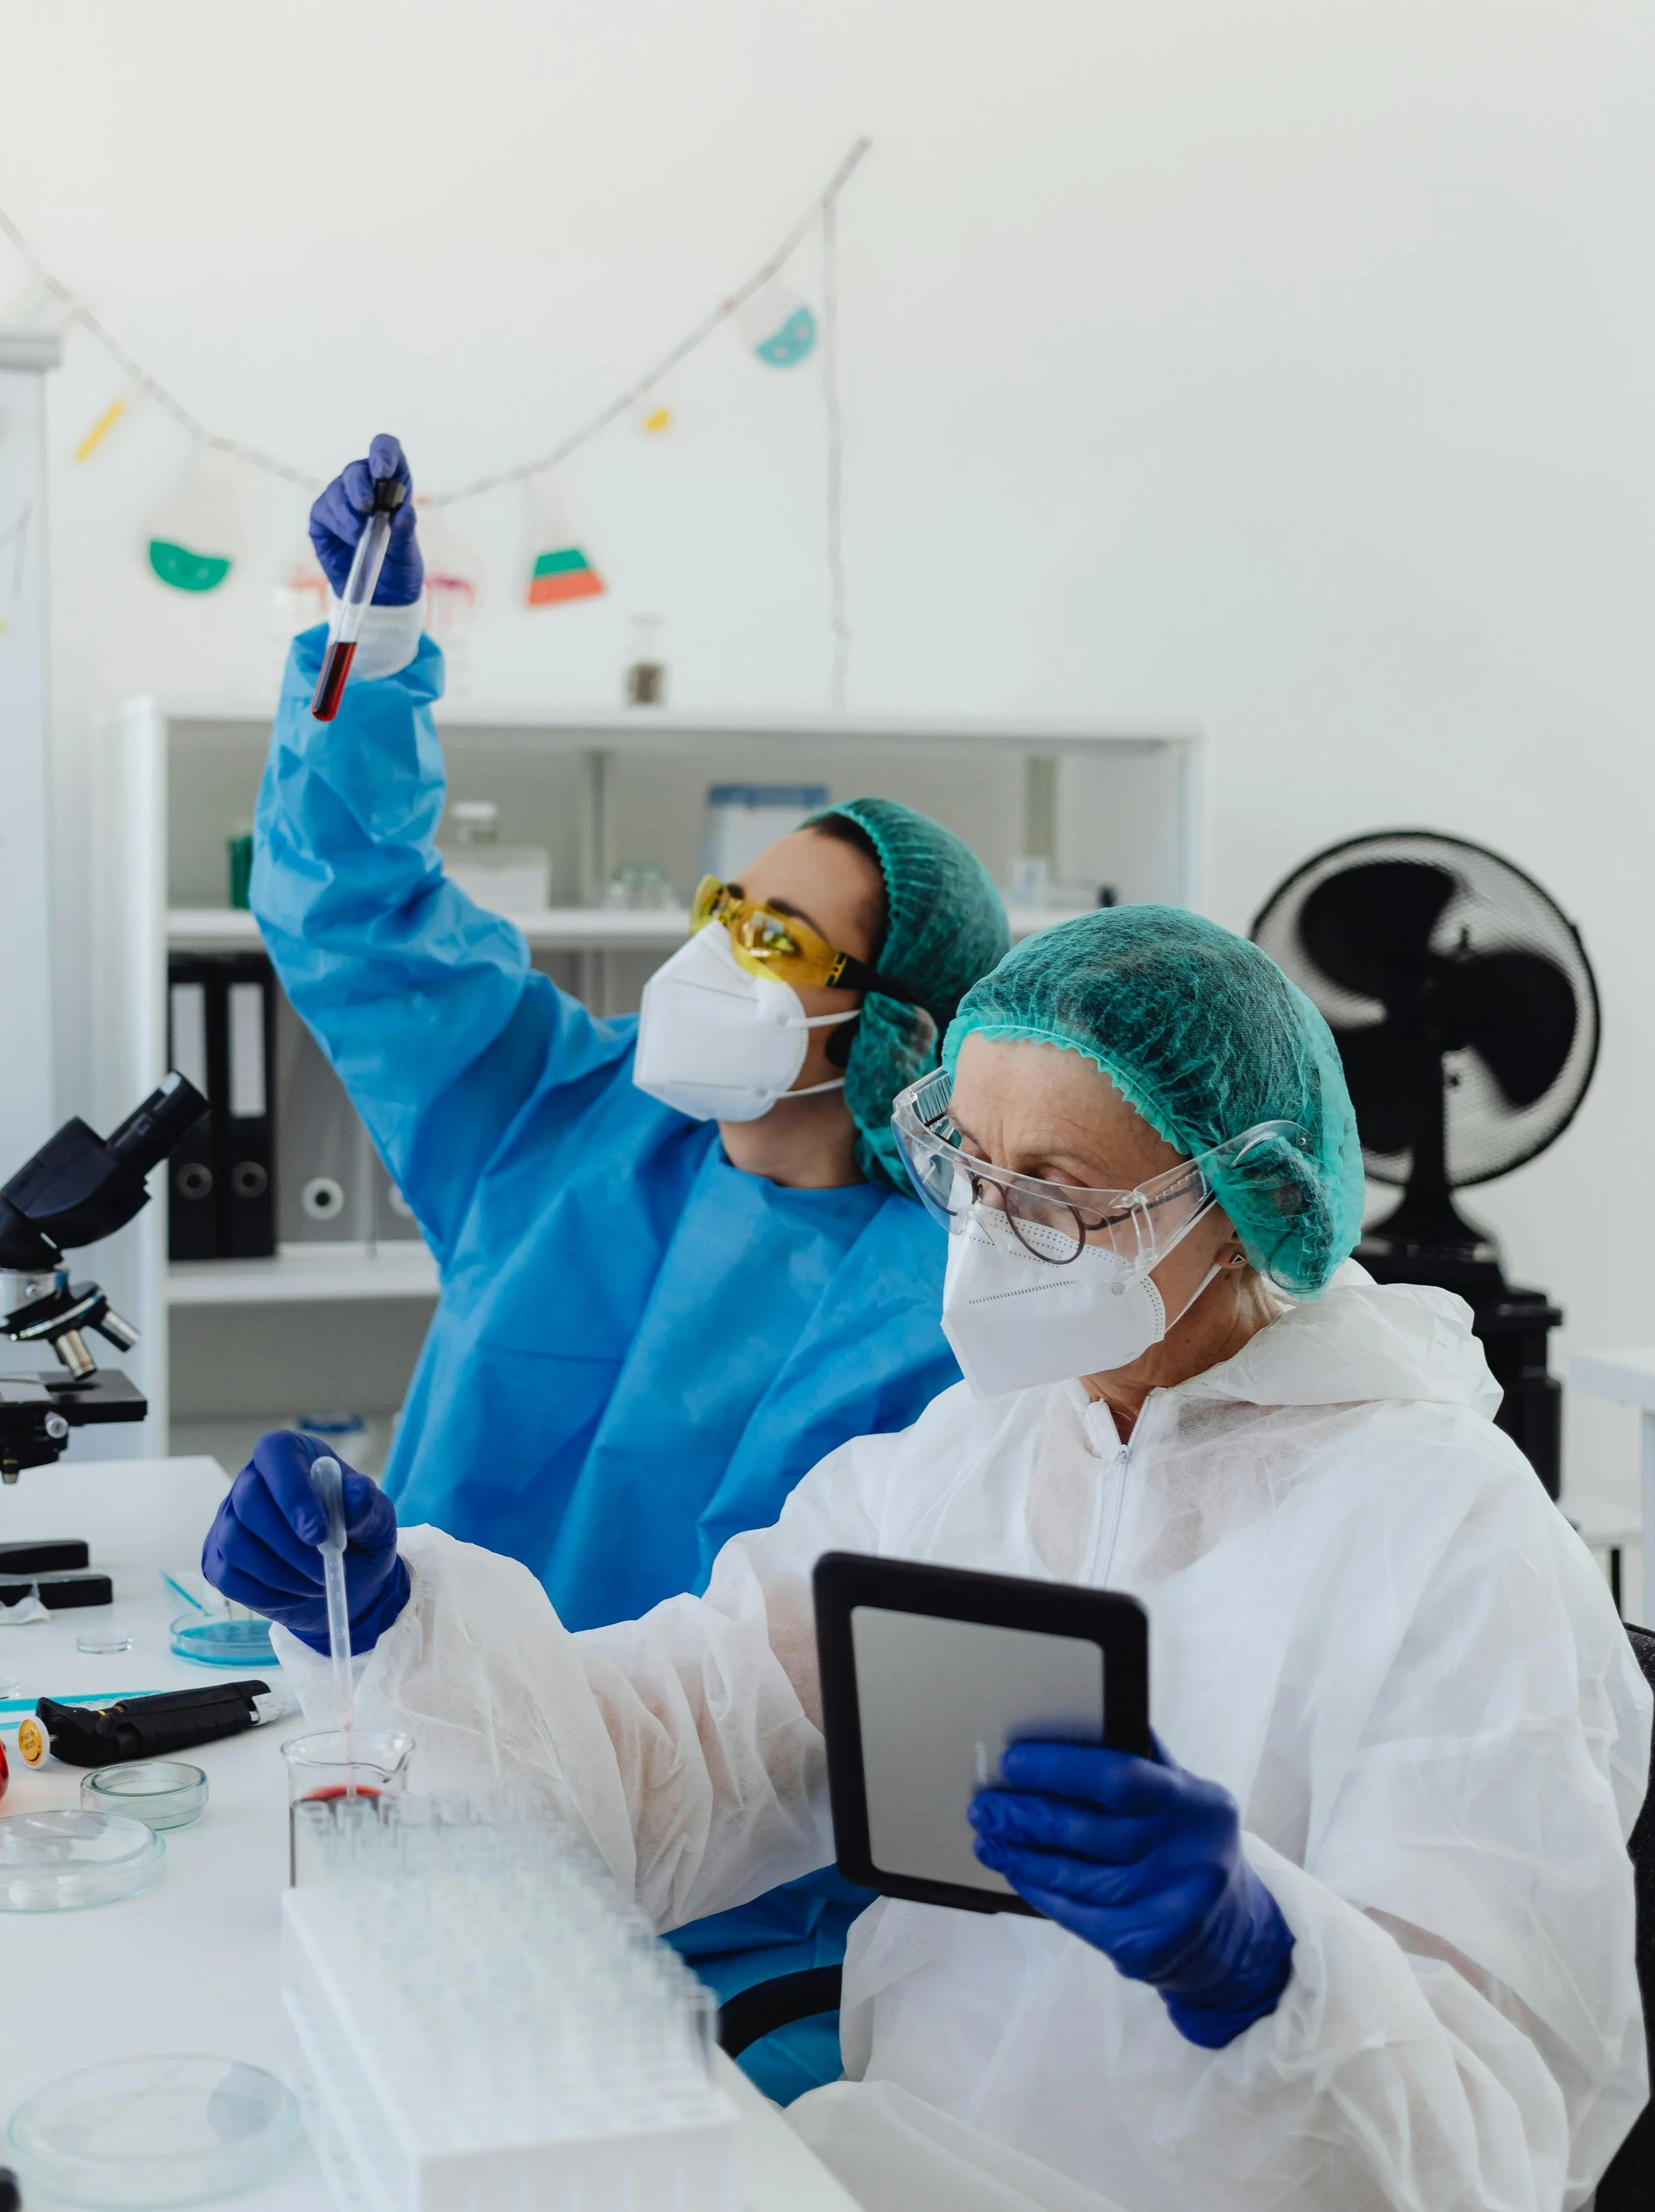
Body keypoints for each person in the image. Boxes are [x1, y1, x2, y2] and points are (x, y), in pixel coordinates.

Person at [208, 905, 1649, 2211]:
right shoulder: (973, 1453)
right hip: (902, 2159)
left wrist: (1263, 1964)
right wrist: (398, 1617)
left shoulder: (1450, 1535)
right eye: (966, 1164)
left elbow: (1493, 2130)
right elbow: (673, 1749)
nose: (988, 1230)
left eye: (1055, 1189)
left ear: (1238, 1202)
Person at [246, 433, 1012, 2093]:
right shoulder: (566, 1117)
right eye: (727, 908)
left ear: (890, 1028)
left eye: (779, 942)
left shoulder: (941, 1303)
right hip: (416, 1788)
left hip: (720, 1922)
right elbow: (355, 917)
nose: (717, 954)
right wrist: (363, 655)